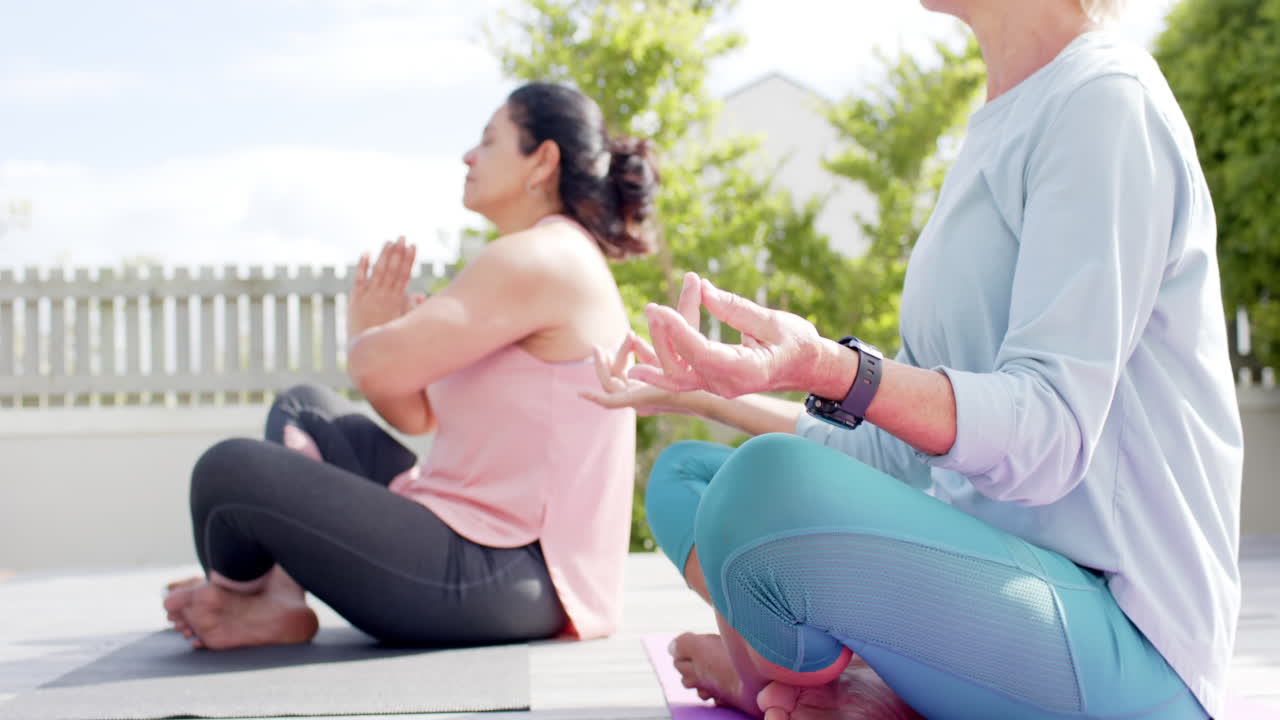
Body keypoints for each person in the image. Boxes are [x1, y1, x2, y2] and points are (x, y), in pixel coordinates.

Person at [585, 1, 1241, 718]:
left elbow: (1050, 433)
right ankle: (864, 683)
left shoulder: (1108, 105)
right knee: (693, 478)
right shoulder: (1004, 119)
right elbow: (893, 452)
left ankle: (828, 681)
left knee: (761, 489)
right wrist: (707, 390)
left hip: (1124, 652)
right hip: (1000, 597)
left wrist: (827, 367)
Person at [162, 82, 660, 650]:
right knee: (304, 407)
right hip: (472, 543)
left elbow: (375, 365)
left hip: (508, 574)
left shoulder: (541, 258)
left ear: (541, 162)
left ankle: (245, 601)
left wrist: (371, 333)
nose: (468, 157)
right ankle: (270, 601)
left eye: (488, 141)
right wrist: (378, 344)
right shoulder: (544, 257)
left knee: (230, 472)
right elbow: (416, 413)